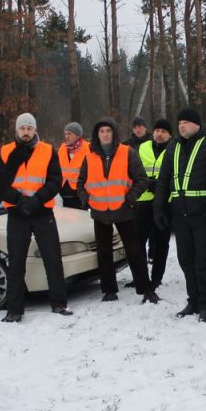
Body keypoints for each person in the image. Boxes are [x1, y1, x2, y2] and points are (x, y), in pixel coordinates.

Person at [153, 108, 206, 323]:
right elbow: (163, 180)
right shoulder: (174, 146)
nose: (181, 126)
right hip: (180, 214)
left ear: (197, 124)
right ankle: (193, 300)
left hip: (203, 214)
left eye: (186, 122)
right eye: (179, 123)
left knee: (203, 261)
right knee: (185, 260)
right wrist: (159, 209)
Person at [0, 112, 71, 322]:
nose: (26, 132)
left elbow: (56, 180)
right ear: (16, 130)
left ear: (35, 130)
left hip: (42, 211)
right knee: (16, 261)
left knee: (52, 258)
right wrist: (18, 199)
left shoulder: (47, 151)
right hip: (17, 213)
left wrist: (36, 200)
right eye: (22, 128)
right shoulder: (5, 152)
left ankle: (59, 303)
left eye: (29, 128)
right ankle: (15, 309)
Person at [77, 117, 159, 304]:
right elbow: (80, 183)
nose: (105, 134)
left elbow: (142, 179)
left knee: (134, 251)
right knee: (104, 253)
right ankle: (109, 290)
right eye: (101, 131)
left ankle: (145, 289)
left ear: (114, 133)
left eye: (108, 131)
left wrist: (129, 199)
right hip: (99, 211)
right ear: (97, 135)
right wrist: (85, 199)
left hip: (123, 210)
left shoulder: (127, 152)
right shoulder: (89, 156)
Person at [136, 118, 174, 288]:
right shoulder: (142, 147)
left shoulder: (175, 149)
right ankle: (140, 276)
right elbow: (134, 171)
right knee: (138, 242)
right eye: (157, 130)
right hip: (143, 201)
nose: (159, 134)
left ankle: (156, 278)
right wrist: (146, 183)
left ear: (170, 135)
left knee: (161, 242)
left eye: (164, 131)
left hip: (165, 202)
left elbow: (178, 174)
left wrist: (161, 186)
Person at [57, 122, 88, 209]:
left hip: (80, 197)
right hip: (62, 196)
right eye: (65, 134)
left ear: (78, 136)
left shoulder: (88, 149)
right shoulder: (62, 148)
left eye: (69, 134)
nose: (66, 136)